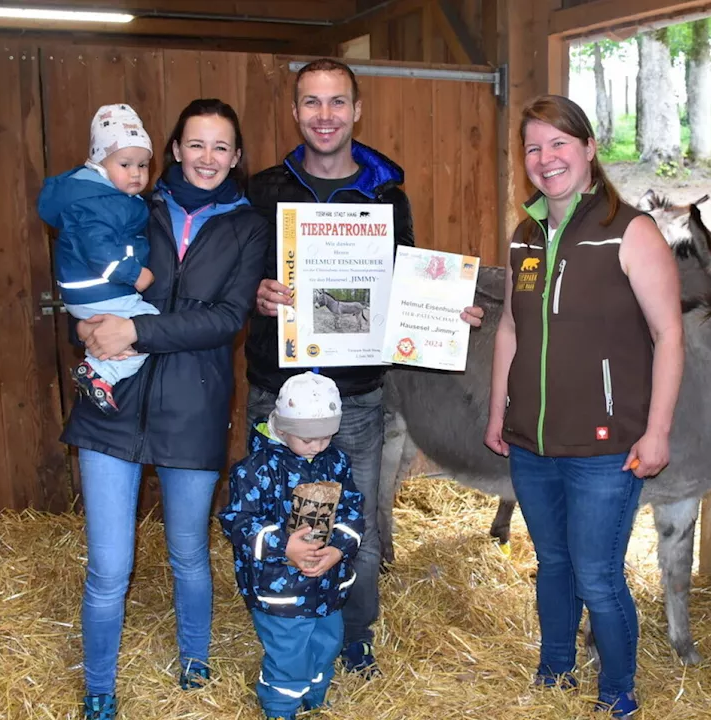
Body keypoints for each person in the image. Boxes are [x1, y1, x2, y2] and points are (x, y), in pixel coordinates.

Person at [246, 57, 484, 676]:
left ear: (357, 110)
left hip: (354, 393)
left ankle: (355, 638)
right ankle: (293, 632)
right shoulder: (265, 190)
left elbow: (405, 285)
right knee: (283, 516)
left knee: (356, 520)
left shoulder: (387, 194)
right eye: (311, 103)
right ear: (295, 111)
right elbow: (238, 275)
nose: (324, 116)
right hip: (279, 389)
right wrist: (258, 292)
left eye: (336, 103)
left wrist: (444, 313)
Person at [63, 98, 270, 720]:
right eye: (196, 144)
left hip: (193, 407)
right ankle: (100, 683)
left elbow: (227, 318)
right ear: (174, 150)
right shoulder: (129, 203)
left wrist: (135, 333)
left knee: (187, 550)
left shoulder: (248, 225)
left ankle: (195, 657)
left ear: (235, 158)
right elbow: (85, 270)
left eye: (221, 148)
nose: (208, 158)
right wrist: (87, 327)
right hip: (112, 404)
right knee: (109, 566)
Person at [483, 94, 684, 718]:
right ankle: (554, 671)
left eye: (559, 144)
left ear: (589, 148)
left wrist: (657, 433)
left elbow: (669, 334)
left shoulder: (629, 230)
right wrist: (499, 412)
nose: (546, 159)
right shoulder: (526, 236)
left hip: (604, 448)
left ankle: (618, 693)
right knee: (552, 564)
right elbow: (513, 332)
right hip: (532, 443)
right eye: (534, 148)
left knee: (598, 575)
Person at [219, 372, 364, 720]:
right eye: (308, 439)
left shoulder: (336, 461)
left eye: (327, 436)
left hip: (328, 582)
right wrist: (283, 546)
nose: (318, 446)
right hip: (280, 588)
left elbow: (353, 508)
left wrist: (339, 548)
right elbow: (237, 522)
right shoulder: (255, 470)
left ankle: (316, 697)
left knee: (327, 643)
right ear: (281, 429)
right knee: (288, 653)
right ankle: (281, 707)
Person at [38, 103, 159, 415]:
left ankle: (99, 365)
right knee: (150, 326)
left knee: (136, 332)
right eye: (125, 164)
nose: (136, 173)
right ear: (100, 164)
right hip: (101, 289)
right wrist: (134, 274)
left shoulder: (103, 199)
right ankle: (100, 372)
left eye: (143, 165)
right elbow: (99, 250)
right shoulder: (98, 204)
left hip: (89, 293)